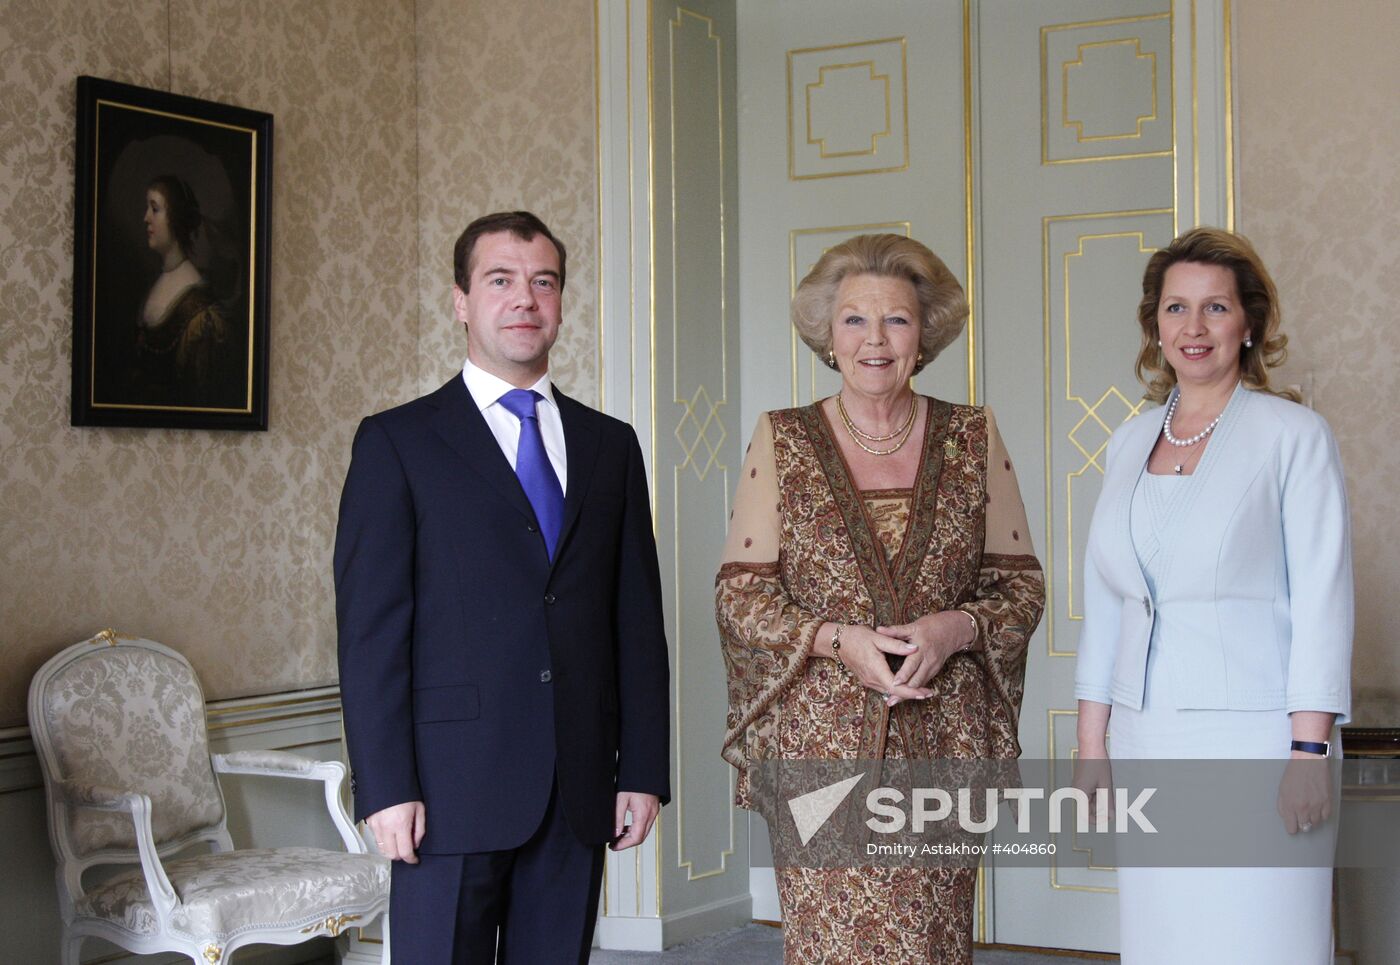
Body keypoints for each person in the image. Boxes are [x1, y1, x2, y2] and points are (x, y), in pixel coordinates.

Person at [335, 210, 671, 963]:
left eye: (543, 282)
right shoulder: (397, 442)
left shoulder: (609, 446)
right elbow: (371, 633)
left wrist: (642, 770)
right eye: (500, 280)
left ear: (560, 301)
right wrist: (386, 785)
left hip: (578, 784)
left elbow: (636, 623)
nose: (525, 298)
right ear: (460, 300)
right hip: (445, 793)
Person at [717, 234, 1045, 962]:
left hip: (945, 746)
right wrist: (839, 640)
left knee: (933, 943)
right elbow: (741, 599)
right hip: (820, 748)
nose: (875, 339)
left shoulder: (972, 435)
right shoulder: (784, 438)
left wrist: (954, 628)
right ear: (827, 336)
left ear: (923, 336)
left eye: (895, 320)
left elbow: (1022, 587)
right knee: (829, 942)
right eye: (854, 320)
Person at [1074, 227, 1352, 964]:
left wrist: (1307, 750)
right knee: (1166, 941)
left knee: (1263, 939)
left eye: (1215, 308)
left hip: (1258, 739)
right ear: (1154, 325)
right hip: (1145, 735)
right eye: (1175, 308)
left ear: (1249, 323)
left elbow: (1324, 599)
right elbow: (1111, 599)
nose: (1193, 328)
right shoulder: (1128, 441)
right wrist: (1091, 744)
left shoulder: (1294, 436)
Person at [133, 174, 237, 407]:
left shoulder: (202, 314)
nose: (146, 218)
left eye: (155, 209)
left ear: (176, 218)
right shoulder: (159, 281)